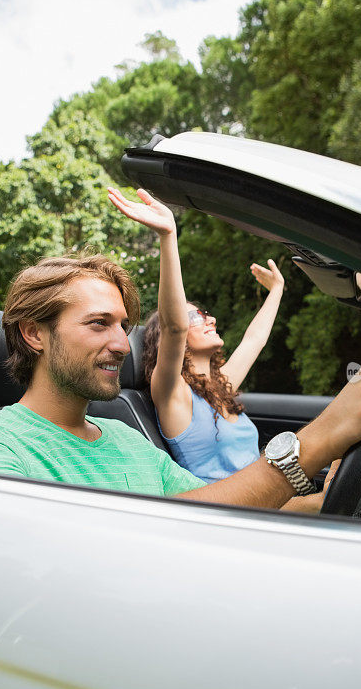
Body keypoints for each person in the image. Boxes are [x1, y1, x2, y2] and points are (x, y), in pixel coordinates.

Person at [0, 252, 361, 514]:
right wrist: (315, 441)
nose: (123, 344)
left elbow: (215, 511)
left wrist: (336, 496)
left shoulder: (123, 438)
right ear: (35, 333)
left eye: (123, 325)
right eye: (98, 324)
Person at [108, 186, 284, 483]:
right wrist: (168, 236)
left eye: (205, 313)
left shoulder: (220, 385)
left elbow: (255, 339)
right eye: (196, 317)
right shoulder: (172, 393)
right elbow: (174, 326)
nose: (210, 319)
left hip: (268, 498)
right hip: (228, 512)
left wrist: (277, 289)